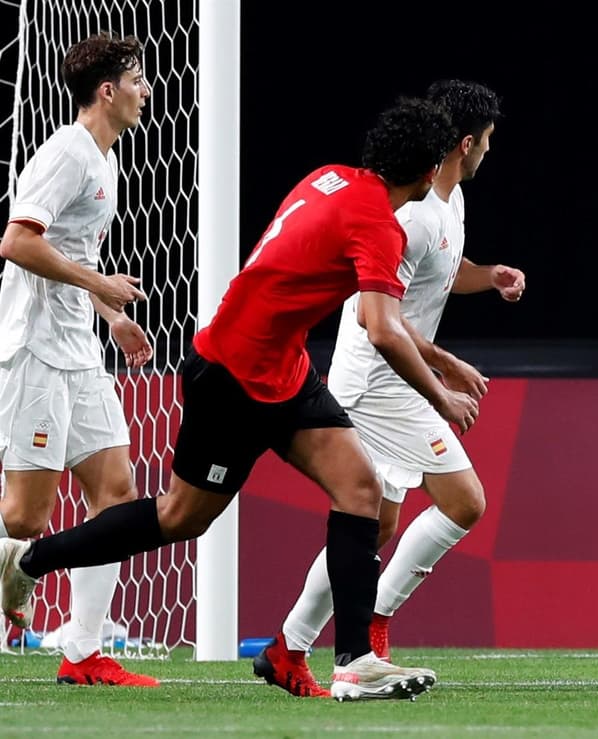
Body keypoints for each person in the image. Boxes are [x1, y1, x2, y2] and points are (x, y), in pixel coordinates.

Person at [0, 96, 479, 702]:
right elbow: (380, 327)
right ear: (434, 164)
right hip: (232, 376)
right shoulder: (379, 224)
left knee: (360, 489)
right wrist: (439, 393)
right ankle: (27, 563)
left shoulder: (329, 177)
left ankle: (344, 657)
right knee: (181, 517)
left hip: (284, 370)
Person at [255, 79, 523, 698]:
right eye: (485, 142)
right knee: (464, 501)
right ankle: (370, 625)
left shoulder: (448, 204)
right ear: (464, 144)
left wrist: (490, 278)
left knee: (373, 525)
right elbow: (372, 311)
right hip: (378, 383)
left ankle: (287, 648)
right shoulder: (414, 216)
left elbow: (442, 277)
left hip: (393, 376)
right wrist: (444, 370)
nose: (489, 153)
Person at [0, 33, 157, 687]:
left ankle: (83, 652)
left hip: (81, 354)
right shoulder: (66, 154)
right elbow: (15, 241)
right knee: (25, 517)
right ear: (107, 90)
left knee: (116, 496)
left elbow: (78, 259)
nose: (146, 90)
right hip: (34, 350)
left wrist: (112, 316)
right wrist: (101, 287)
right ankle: (14, 575)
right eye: (138, 79)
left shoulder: (106, 160)